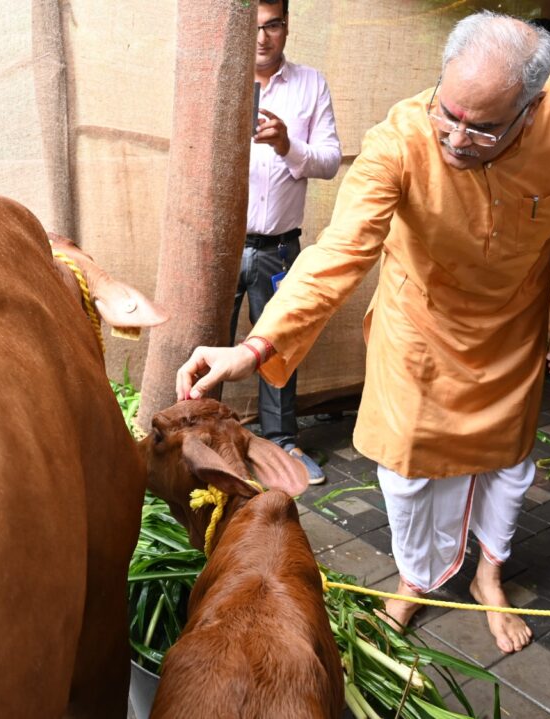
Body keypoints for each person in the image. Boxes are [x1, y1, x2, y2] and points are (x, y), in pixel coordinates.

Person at [176, 11, 550, 654]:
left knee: (509, 462)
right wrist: (255, 345)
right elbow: (340, 250)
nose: (457, 137)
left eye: (483, 126)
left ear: (531, 109)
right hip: (417, 328)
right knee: (405, 473)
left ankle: (489, 574)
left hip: (514, 326)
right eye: (449, 111)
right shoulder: (402, 137)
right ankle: (415, 577)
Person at [233, 0, 341, 484]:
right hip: (222, 243)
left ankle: (281, 444)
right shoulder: (224, 80)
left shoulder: (310, 83)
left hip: (278, 245)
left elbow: (330, 160)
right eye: (254, 27)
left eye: (272, 25)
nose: (262, 37)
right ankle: (196, 441)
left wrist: (286, 144)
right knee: (207, 339)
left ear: (286, 26)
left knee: (278, 348)